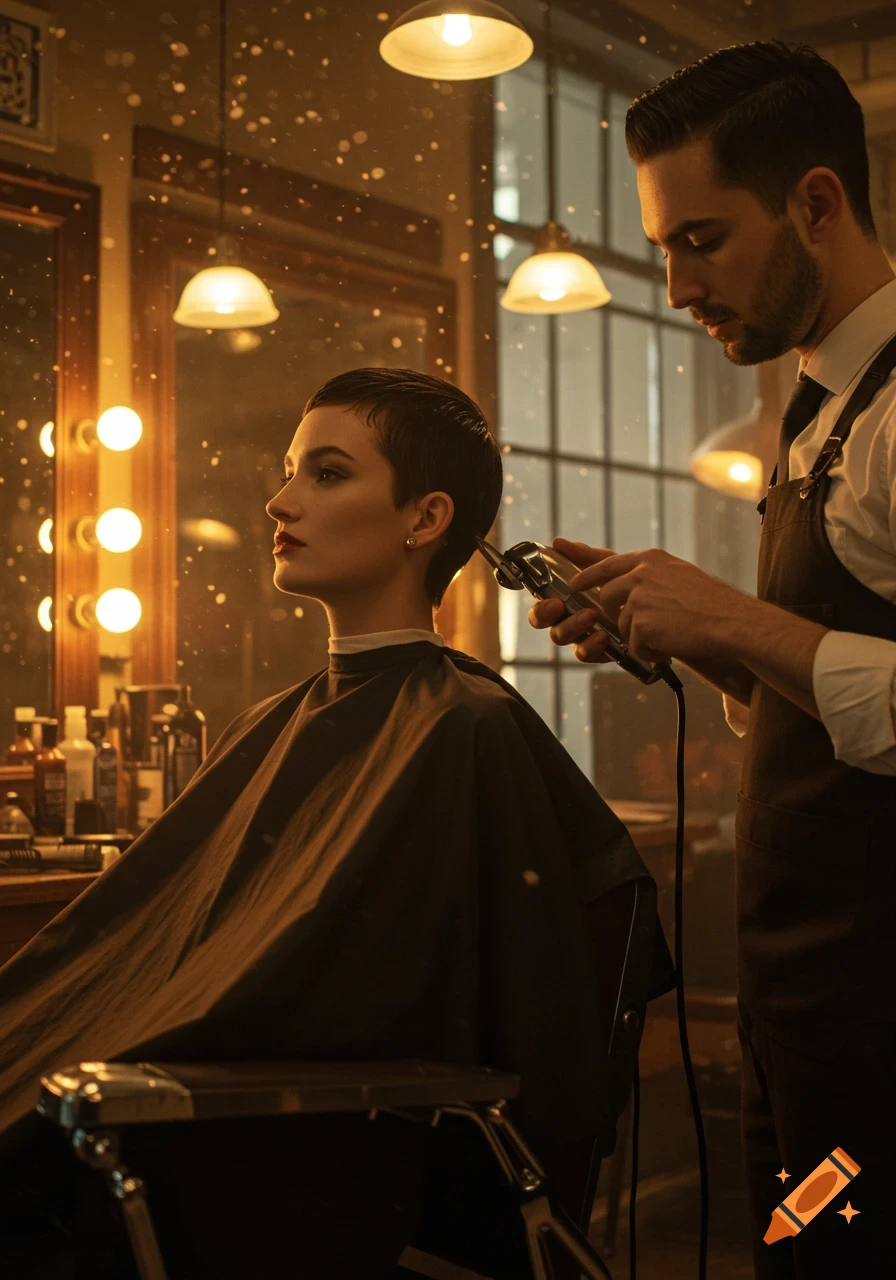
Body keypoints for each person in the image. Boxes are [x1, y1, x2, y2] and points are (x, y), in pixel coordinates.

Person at [0, 368, 672, 1279]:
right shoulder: (270, 723)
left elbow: (354, 999)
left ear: (425, 518)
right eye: (289, 472)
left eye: (326, 473)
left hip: (264, 1160)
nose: (280, 502)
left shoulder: (463, 728)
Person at [530, 41, 896, 1280]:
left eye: (701, 240)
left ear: (815, 202)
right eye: (663, 247)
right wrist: (700, 646)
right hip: (802, 1019)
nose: (678, 283)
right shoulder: (817, 407)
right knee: (795, 1246)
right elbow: (842, 698)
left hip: (879, 1034)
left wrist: (734, 620)